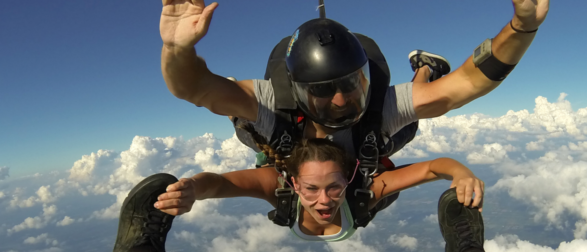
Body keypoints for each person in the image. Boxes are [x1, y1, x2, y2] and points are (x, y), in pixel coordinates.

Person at [160, 0, 549, 159]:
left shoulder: (381, 107)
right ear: (297, 93)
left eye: (351, 85)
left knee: (407, 118)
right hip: (285, 136)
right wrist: (178, 50)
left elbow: (467, 85)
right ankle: (425, 68)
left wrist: (522, 27)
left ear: (365, 77)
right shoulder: (270, 103)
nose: (343, 101)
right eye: (323, 93)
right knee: (248, 128)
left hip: (371, 139)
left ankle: (425, 66)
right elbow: (192, 88)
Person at [109, 137, 488, 252]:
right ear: (293, 183)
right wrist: (194, 188)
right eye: (310, 189)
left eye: (334, 188)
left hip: (365, 197)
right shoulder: (279, 187)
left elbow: (433, 167)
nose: (323, 201)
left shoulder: (362, 192)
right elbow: (221, 183)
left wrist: (460, 173)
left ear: (350, 179)